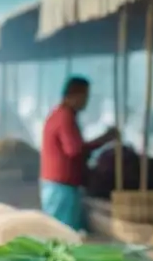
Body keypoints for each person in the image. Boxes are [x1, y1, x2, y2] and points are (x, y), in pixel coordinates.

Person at [40, 76, 118, 230]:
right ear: (74, 95)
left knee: (59, 234)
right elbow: (74, 150)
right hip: (61, 188)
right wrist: (104, 139)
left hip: (56, 185)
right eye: (85, 96)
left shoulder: (59, 114)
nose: (86, 101)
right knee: (63, 236)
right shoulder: (65, 117)